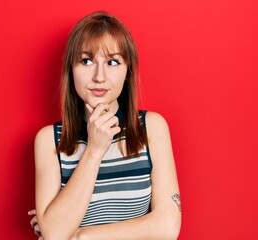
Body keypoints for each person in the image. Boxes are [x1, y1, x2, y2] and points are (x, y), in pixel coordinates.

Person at [29, 11, 181, 240]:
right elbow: (55, 234)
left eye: (112, 62)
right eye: (86, 61)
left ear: (127, 71)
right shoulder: (49, 140)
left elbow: (168, 226)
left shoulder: (151, 129)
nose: (99, 76)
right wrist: (94, 149)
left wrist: (80, 236)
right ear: (71, 69)